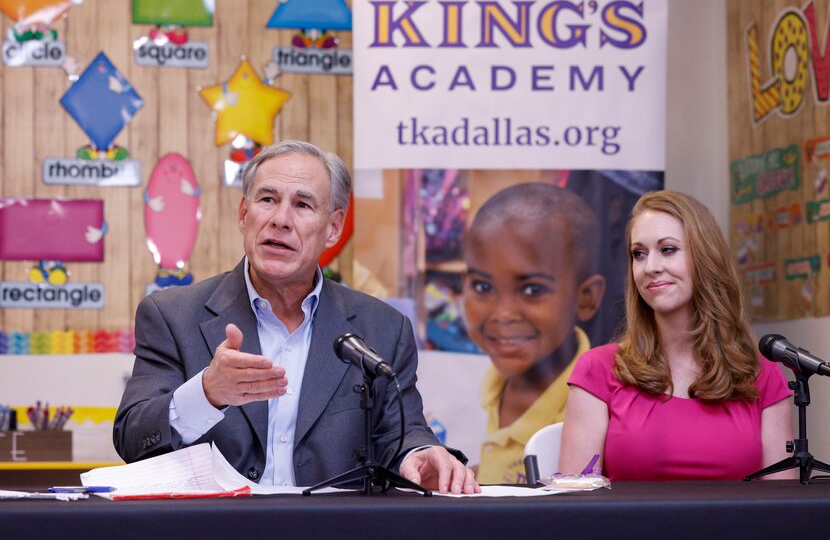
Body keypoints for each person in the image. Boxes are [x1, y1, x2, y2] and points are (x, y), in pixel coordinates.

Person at [114, 140, 479, 494]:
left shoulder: (382, 328)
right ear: (244, 214)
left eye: (303, 205)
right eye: (268, 199)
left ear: (333, 227)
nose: (280, 220)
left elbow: (400, 432)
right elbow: (132, 439)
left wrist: (420, 452)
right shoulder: (171, 315)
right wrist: (208, 393)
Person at [559, 190, 794, 480]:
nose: (651, 267)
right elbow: (575, 506)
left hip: (737, 528)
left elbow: (780, 512)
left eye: (667, 249)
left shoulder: (764, 377)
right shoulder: (597, 369)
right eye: (639, 254)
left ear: (705, 258)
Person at [463, 183, 606, 484]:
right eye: (482, 286)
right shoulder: (493, 383)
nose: (502, 313)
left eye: (532, 290)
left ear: (586, 298)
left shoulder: (594, 406)